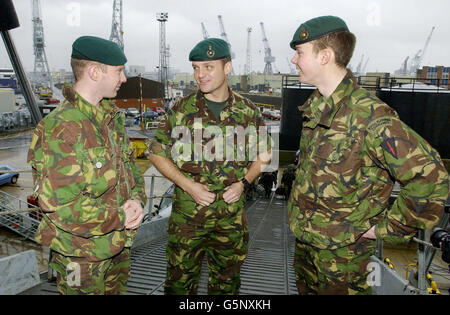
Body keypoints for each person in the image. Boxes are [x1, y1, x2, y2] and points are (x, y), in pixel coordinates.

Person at [287, 16, 449, 295]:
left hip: (345, 257)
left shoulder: (370, 116)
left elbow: (431, 177)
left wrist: (388, 228)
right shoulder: (315, 108)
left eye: (300, 52)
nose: (293, 60)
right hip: (307, 245)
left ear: (325, 56)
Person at [146, 38, 272, 294]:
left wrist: (244, 183)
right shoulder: (181, 110)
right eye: (195, 67)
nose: (199, 75)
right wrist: (187, 185)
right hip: (187, 221)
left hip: (230, 222)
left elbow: (267, 155)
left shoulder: (248, 111)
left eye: (208, 67)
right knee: (180, 287)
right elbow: (155, 153)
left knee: (226, 288)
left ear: (228, 68)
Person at [27, 36, 147, 295]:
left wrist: (137, 202)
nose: (124, 78)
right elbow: (62, 208)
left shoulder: (111, 118)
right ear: (95, 72)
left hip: (117, 246)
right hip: (78, 258)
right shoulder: (59, 129)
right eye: (118, 71)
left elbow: (131, 172)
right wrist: (120, 217)